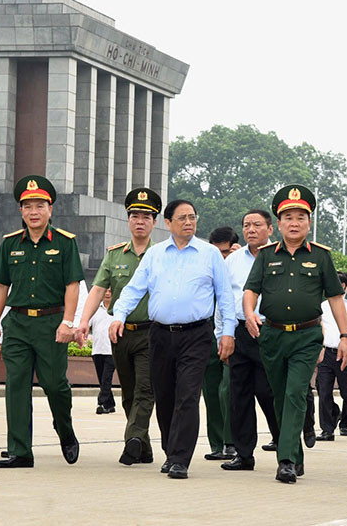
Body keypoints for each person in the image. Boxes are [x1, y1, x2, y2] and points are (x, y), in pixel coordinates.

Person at [109, 199, 236, 480]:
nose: (188, 222)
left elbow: (225, 296)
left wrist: (228, 332)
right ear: (168, 223)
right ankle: (170, 451)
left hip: (197, 334)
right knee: (164, 396)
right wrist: (119, 315)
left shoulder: (210, 254)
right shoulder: (155, 255)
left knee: (187, 396)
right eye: (182, 218)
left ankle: (181, 458)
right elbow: (133, 290)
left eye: (192, 217)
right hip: (161, 335)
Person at [243, 185, 347, 484]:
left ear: (308, 223)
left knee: (294, 394)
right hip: (273, 337)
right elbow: (251, 289)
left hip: (306, 337)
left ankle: (286, 460)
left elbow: (335, 298)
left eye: (300, 217)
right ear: (278, 224)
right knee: (279, 396)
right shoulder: (266, 256)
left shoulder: (320, 257)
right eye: (288, 217)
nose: (294, 223)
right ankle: (295, 455)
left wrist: (344, 335)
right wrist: (250, 312)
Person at [0, 175, 84, 469]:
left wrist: (68, 322)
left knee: (55, 385)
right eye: (27, 206)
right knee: (15, 385)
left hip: (51, 322)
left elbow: (73, 285)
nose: (33, 211)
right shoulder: (10, 244)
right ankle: (20, 451)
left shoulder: (66, 243)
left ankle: (65, 430)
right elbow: (1, 286)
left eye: (39, 205)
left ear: (50, 209)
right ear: (21, 210)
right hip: (17, 323)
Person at [76, 187, 160, 466]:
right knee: (128, 391)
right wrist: (83, 322)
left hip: (152, 332)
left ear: (154, 222)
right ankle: (144, 447)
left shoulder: (161, 255)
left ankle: (133, 440)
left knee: (146, 389)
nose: (140, 221)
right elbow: (98, 290)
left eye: (146, 216)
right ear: (128, 219)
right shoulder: (114, 256)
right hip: (120, 332)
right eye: (135, 215)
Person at [219, 209, 280, 471]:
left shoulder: (281, 257)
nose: (251, 230)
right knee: (239, 394)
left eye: (257, 225)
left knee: (269, 392)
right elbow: (222, 301)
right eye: (246, 225)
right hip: (240, 332)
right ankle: (244, 454)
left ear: (270, 229)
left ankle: (284, 442)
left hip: (271, 331)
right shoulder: (232, 261)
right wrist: (223, 334)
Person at [203, 226, 238, 461]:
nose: (221, 258)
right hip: (204, 332)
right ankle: (216, 443)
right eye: (217, 253)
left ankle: (231, 441)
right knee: (211, 390)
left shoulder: (241, 265)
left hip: (231, 332)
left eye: (225, 252)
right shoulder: (204, 264)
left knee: (228, 388)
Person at [315, 272, 347, 442]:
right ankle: (327, 429)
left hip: (346, 354)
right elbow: (320, 327)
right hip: (327, 352)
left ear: (345, 286)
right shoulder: (322, 306)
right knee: (323, 391)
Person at [89, 288, 116, 415]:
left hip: (111, 350)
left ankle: (102, 403)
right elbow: (87, 324)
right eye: (106, 291)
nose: (107, 293)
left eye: (110, 291)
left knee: (106, 378)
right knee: (102, 378)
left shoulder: (117, 310)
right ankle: (110, 404)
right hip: (97, 349)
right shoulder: (95, 310)